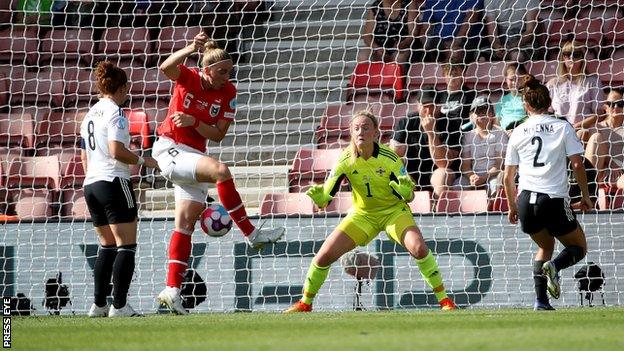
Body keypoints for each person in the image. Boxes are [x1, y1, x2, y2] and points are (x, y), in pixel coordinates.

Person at [153, 31, 285, 315]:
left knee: (185, 225)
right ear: (206, 69)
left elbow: (218, 134)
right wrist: (190, 47)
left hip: (194, 155)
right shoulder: (188, 77)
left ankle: (172, 290)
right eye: (222, 72)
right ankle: (250, 233)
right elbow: (165, 68)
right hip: (170, 149)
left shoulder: (229, 93)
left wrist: (194, 120)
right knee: (221, 171)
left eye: (229, 71)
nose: (227, 76)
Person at [285, 110, 456, 312]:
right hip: (362, 215)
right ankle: (305, 303)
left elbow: (409, 194)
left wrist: (405, 191)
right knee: (323, 257)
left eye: (366, 128)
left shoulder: (389, 158)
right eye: (356, 128)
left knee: (419, 248)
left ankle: (445, 301)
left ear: (375, 133)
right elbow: (327, 196)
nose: (360, 132)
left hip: (393, 212)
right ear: (351, 132)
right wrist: (319, 197)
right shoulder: (345, 160)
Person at [503, 75, 591, 311]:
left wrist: (512, 207)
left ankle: (541, 301)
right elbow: (577, 164)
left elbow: (507, 177)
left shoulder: (518, 131)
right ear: (549, 102)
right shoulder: (562, 126)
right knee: (579, 248)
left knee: (544, 246)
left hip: (525, 201)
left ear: (526, 105)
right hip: (552, 199)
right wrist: (585, 195)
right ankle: (555, 267)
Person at [81, 61, 160, 318]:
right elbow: (117, 151)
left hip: (91, 184)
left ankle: (99, 304)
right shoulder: (117, 113)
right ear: (123, 87)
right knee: (126, 245)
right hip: (114, 182)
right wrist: (143, 160)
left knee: (106, 245)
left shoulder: (89, 114)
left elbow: (84, 155)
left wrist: (95, 174)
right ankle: (120, 305)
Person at [391, 88, 462, 197]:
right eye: (425, 106)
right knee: (394, 174)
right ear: (417, 105)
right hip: (413, 173)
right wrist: (403, 174)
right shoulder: (407, 122)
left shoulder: (452, 124)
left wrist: (431, 132)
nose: (428, 111)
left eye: (432, 106)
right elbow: (394, 155)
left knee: (442, 175)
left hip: (440, 172)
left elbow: (443, 163)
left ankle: (438, 209)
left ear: (439, 106)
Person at [547, 41, 606, 133]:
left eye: (576, 54)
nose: (571, 58)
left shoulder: (593, 82)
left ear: (582, 58)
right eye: (567, 54)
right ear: (563, 58)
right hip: (558, 131)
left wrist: (576, 126)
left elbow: (599, 114)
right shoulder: (553, 84)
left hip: (583, 130)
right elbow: (547, 113)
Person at [454, 96, 508, 195]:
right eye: (477, 112)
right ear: (471, 116)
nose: (481, 114)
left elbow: (499, 164)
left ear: (492, 114)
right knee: (457, 186)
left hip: (493, 174)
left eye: (485, 111)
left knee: (495, 186)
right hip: (473, 174)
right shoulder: (468, 136)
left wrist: (484, 177)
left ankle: (492, 210)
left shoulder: (500, 134)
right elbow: (465, 165)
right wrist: (471, 176)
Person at [583, 88, 624, 190]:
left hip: (621, 174)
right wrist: (612, 164)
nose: (615, 107)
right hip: (601, 172)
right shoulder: (596, 127)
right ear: (605, 107)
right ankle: (590, 191)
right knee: (596, 137)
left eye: (620, 104)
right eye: (611, 104)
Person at [358, 0, 419, 65]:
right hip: (379, 46)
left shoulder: (409, 4)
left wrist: (403, 44)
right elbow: (367, 36)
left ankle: (398, 74)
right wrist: (376, 47)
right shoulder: (376, 6)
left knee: (399, 58)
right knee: (363, 56)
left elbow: (413, 33)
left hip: (402, 46)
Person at [495, 62, 528, 132]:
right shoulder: (502, 100)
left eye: (518, 79)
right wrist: (503, 132)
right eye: (511, 79)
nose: (515, 83)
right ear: (506, 80)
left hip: (524, 133)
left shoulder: (528, 98)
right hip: (505, 135)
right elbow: (496, 123)